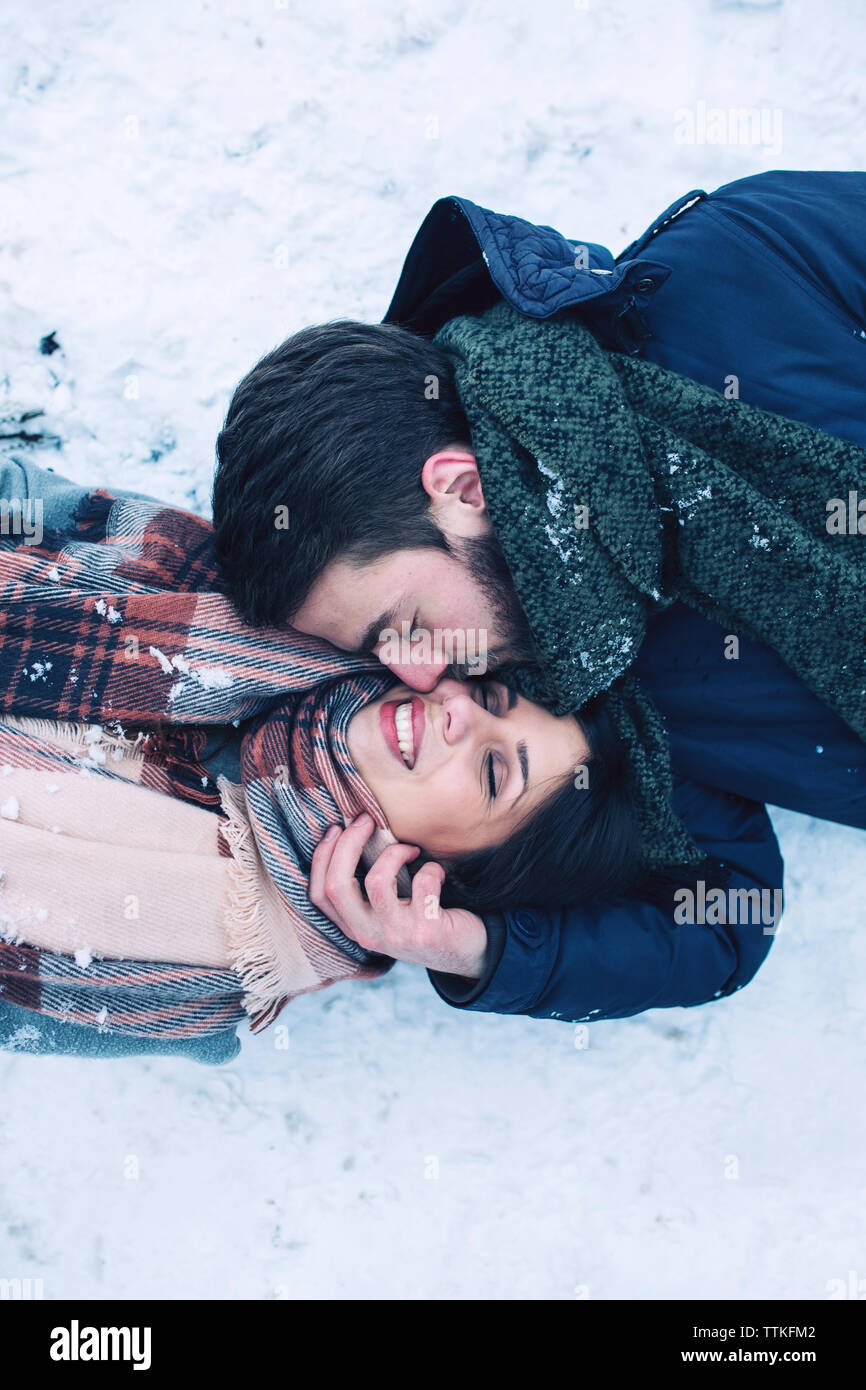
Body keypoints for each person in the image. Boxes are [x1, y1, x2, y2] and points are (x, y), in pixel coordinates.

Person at [210, 168, 866, 1024]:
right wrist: (481, 950)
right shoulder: (583, 692)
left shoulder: (751, 257)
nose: (414, 676)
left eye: (402, 627)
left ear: (465, 488)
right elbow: (726, 917)